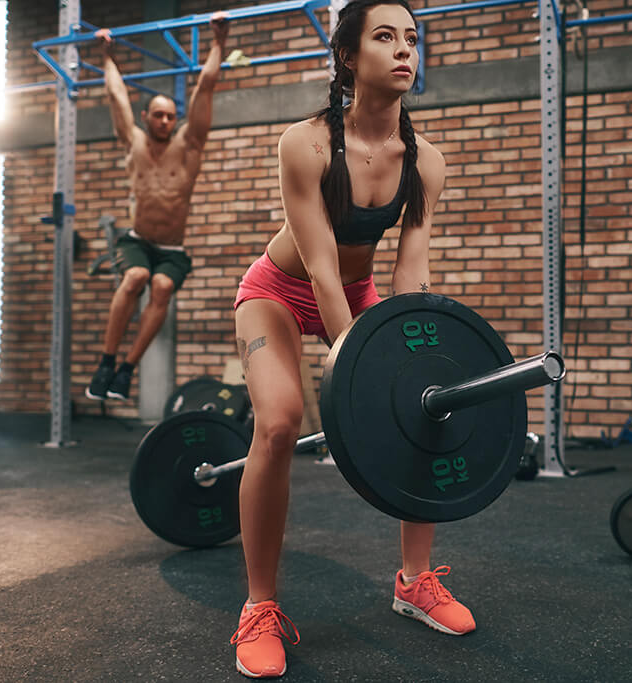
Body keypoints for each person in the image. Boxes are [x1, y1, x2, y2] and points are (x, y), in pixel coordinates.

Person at [230, 0, 474, 677]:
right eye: (385, 37)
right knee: (279, 423)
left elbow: (411, 270)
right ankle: (259, 606)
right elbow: (318, 267)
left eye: (413, 39)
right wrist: (363, 366)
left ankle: (414, 580)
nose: (405, 50)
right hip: (279, 292)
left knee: (428, 403)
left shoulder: (425, 159)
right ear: (346, 57)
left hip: (360, 292)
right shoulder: (304, 144)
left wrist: (412, 364)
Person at [86, 13, 229, 402]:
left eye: (171, 115)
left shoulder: (189, 147)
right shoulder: (133, 143)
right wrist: (107, 57)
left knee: (162, 285)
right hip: (137, 240)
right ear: (146, 117)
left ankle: (126, 370)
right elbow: (117, 96)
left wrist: (219, 40)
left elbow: (206, 85)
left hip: (172, 250)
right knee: (134, 278)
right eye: (158, 115)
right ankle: (105, 362)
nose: (165, 120)